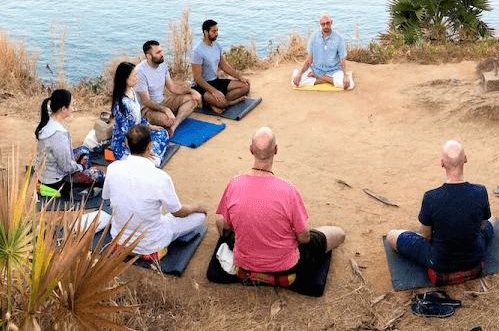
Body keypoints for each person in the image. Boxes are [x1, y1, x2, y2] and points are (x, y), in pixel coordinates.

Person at [215, 127, 346, 279]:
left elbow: (228, 225)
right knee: (338, 234)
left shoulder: (234, 184)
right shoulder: (287, 190)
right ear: (276, 150)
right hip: (286, 266)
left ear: (251, 150)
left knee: (219, 221)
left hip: (245, 262)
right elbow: (304, 238)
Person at [384, 141, 494, 274]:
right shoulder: (481, 191)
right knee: (492, 219)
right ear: (465, 159)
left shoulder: (431, 197)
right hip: (474, 257)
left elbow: (426, 235)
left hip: (440, 261)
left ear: (442, 163)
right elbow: (482, 227)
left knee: (391, 236)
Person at [102, 125, 207, 258]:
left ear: (127, 144)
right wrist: (194, 207)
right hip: (151, 243)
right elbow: (178, 213)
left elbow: (106, 196)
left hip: (120, 239)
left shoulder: (113, 168)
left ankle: (126, 248)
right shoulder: (160, 177)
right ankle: (150, 252)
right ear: (150, 146)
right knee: (199, 216)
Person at [34, 89, 103, 197]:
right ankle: (70, 191)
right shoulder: (58, 135)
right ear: (63, 109)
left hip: (48, 170)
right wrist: (80, 168)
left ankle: (82, 174)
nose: (72, 108)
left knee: (84, 151)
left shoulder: (48, 119)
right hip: (54, 181)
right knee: (100, 177)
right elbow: (66, 167)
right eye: (71, 105)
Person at [134, 40, 200, 137]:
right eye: (158, 53)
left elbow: (172, 87)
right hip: (147, 109)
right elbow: (146, 101)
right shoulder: (140, 72)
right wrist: (166, 110)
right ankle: (172, 119)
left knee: (194, 99)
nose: (162, 54)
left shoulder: (162, 65)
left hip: (163, 101)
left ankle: (174, 126)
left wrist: (192, 91)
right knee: (166, 120)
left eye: (161, 51)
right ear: (148, 56)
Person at [108, 62, 170, 162]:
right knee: (155, 161)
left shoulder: (132, 91)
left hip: (139, 134)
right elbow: (126, 134)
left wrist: (149, 126)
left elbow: (137, 116)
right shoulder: (121, 104)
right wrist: (143, 149)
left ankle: (151, 155)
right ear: (125, 78)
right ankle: (150, 157)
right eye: (135, 75)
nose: (137, 77)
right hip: (128, 145)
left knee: (162, 132)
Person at [190, 19, 251, 112]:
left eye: (217, 30)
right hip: (201, 86)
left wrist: (240, 77)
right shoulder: (197, 51)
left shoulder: (217, 45)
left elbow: (223, 65)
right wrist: (213, 91)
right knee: (222, 103)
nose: (217, 33)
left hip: (215, 81)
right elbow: (197, 78)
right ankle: (227, 102)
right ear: (205, 32)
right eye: (214, 31)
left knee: (245, 86)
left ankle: (215, 102)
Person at [292, 14, 353, 89]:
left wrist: (345, 75)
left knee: (350, 85)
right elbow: (308, 60)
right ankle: (327, 80)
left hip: (333, 70)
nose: (326, 26)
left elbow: (342, 60)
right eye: (323, 24)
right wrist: (299, 73)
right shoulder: (313, 37)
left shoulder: (339, 38)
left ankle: (320, 78)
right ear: (320, 24)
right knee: (294, 82)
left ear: (331, 22)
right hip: (316, 69)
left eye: (328, 23)